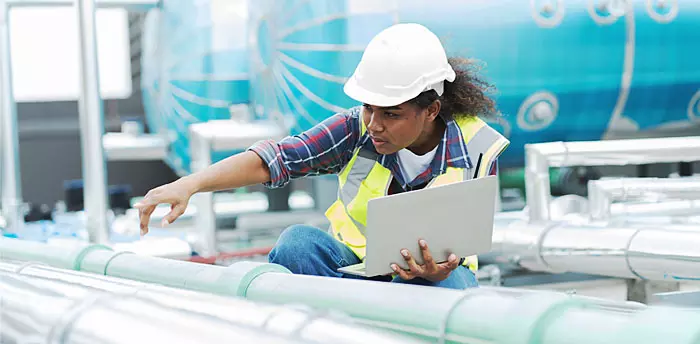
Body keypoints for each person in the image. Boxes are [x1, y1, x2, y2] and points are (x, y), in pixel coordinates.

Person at [135, 23, 509, 290]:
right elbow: (276, 159)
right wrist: (190, 184)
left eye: (391, 114)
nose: (374, 125)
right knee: (297, 244)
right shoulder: (354, 129)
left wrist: (438, 270)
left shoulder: (478, 148)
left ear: (430, 110)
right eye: (368, 108)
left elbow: (462, 249)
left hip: (438, 280)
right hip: (355, 273)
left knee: (453, 287)